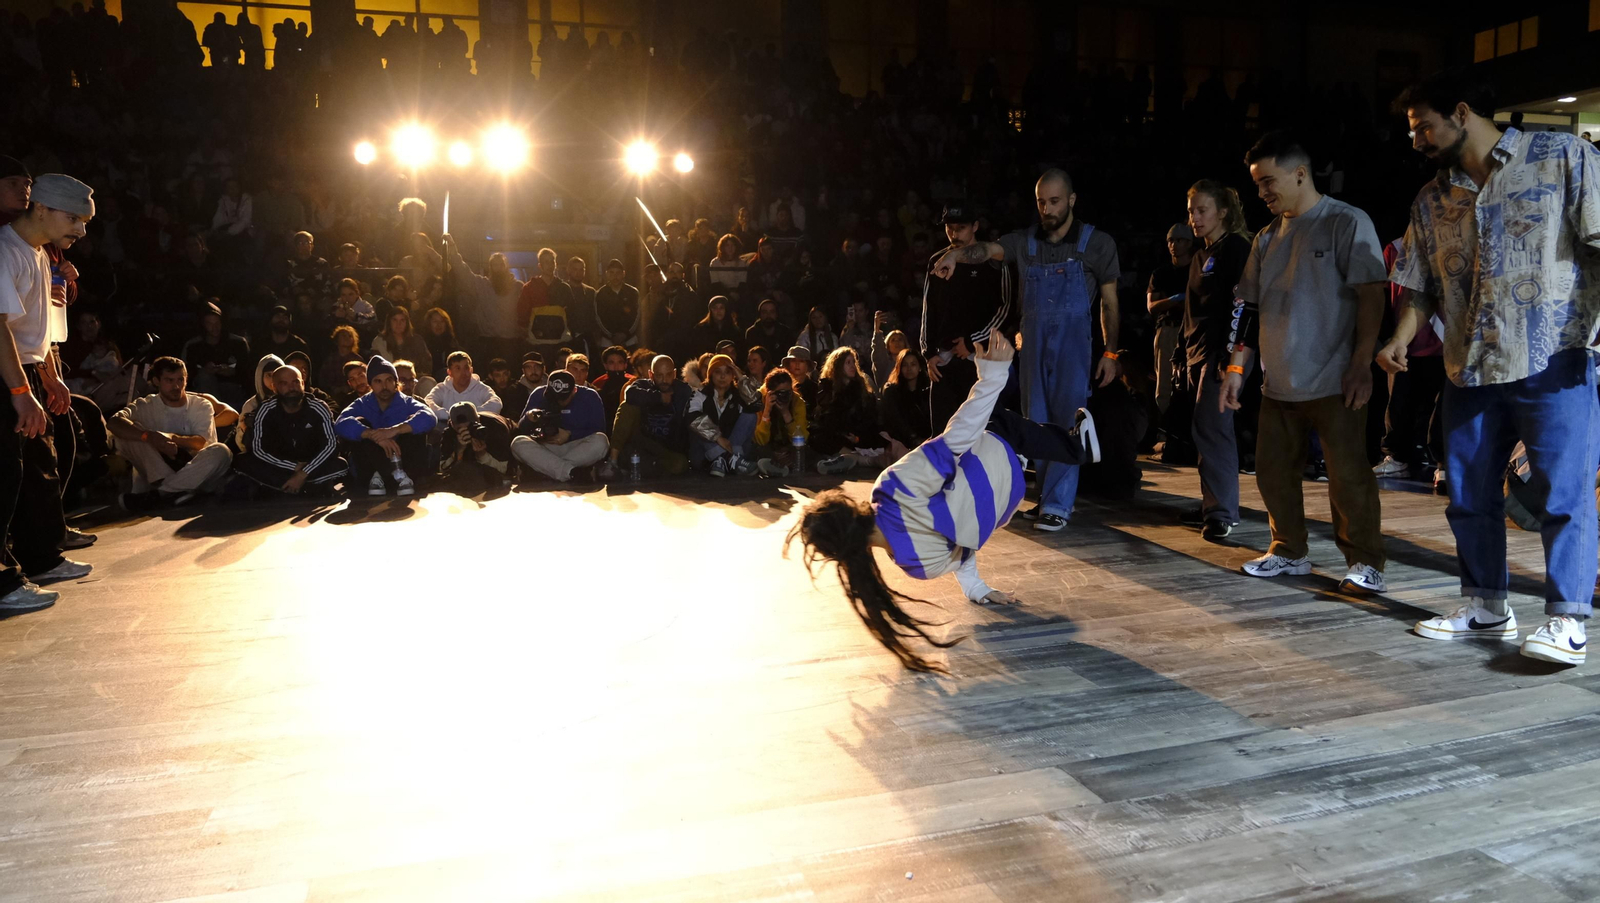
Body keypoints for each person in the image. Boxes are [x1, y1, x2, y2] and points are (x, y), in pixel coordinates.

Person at [1382, 70, 1600, 664]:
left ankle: (1568, 621)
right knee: (1468, 496)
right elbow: (1419, 284)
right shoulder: (1431, 198)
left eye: (1423, 127)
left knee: (1564, 494)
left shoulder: (1562, 155)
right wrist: (1399, 338)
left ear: (1461, 112)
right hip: (1470, 366)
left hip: (1554, 356)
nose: (1416, 140)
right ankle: (1486, 607)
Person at [788, 334, 1100, 672]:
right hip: (995, 458)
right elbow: (955, 440)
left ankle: (1035, 454)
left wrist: (976, 588)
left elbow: (960, 546)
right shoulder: (892, 490)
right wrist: (992, 377)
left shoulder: (913, 565)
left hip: (1006, 500)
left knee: (977, 457)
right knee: (991, 419)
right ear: (847, 508)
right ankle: (1076, 447)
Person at [1221, 132, 1389, 593]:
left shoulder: (1346, 221)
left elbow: (1372, 295)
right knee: (1273, 473)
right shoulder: (1265, 238)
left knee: (1348, 477)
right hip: (1279, 381)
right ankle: (1288, 550)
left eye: (1267, 181)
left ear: (1299, 174)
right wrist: (1236, 368)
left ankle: (1366, 562)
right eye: (1257, 183)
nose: (1261, 192)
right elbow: (1249, 308)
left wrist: (1361, 363)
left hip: (1335, 379)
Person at [932, 168, 1122, 533]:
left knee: (1067, 419)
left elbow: (1110, 304)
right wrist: (957, 256)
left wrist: (1111, 353)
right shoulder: (1026, 242)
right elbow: (987, 249)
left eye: (1054, 201)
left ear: (1072, 200)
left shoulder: (1097, 244)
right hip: (1033, 345)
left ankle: (1058, 505)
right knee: (1035, 421)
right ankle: (1046, 498)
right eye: (1041, 202)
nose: (1047, 209)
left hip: (1072, 347)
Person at [0, 173, 95, 607]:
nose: (80, 230)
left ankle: (40, 557)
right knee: (6, 474)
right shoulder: (5, 249)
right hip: (8, 374)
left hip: (29, 369)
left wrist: (51, 376)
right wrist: (20, 390)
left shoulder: (38, 254)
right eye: (73, 218)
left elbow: (40, 329)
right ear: (41, 208)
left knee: (38, 467)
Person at [1179, 181, 1252, 541]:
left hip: (1222, 354)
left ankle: (1221, 513)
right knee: (1204, 428)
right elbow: (1192, 312)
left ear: (1222, 212)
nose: (1194, 217)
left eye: (1202, 210)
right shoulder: (1199, 256)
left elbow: (1241, 307)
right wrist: (1181, 355)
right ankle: (1213, 502)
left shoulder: (1236, 248)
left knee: (1213, 427)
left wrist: (1229, 357)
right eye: (1191, 211)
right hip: (1197, 353)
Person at [922, 202, 1012, 434]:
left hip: (979, 358)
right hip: (944, 357)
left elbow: (1006, 309)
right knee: (941, 433)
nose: (954, 234)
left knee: (982, 432)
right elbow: (929, 310)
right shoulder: (937, 260)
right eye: (949, 228)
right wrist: (928, 353)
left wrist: (973, 341)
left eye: (960, 228)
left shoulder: (993, 260)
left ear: (975, 226)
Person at [109, 357, 236, 510]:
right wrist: (149, 436)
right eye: (169, 380)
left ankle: (161, 494)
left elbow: (200, 443)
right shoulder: (146, 405)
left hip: (198, 472)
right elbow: (114, 423)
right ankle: (174, 490)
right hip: (161, 470)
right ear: (156, 381)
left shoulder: (201, 404)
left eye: (180, 380)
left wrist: (171, 438)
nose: (176, 386)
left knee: (222, 451)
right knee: (127, 433)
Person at [1372, 237, 1445, 484]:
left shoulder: (1457, 237)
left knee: (1445, 408)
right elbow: (1387, 293)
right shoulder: (1396, 248)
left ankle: (1444, 464)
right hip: (1407, 341)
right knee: (1399, 403)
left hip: (1448, 341)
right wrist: (1390, 338)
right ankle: (1397, 458)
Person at [234, 364, 346, 496]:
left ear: (303, 384)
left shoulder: (319, 407)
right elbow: (258, 449)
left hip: (310, 463)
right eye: (284, 384)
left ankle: (283, 487)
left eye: (295, 382)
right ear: (274, 387)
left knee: (340, 464)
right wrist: (294, 467)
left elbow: (331, 445)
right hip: (280, 465)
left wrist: (303, 473)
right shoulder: (266, 409)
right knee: (242, 461)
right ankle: (307, 487)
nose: (291, 388)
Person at [334, 355, 437, 497]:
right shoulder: (363, 403)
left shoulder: (406, 402)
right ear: (370, 384)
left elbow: (430, 417)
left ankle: (400, 476)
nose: (384, 386)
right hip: (371, 469)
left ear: (395, 382)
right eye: (378, 381)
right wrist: (373, 435)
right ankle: (378, 475)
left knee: (415, 422)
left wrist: (394, 430)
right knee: (360, 424)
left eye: (388, 380)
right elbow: (340, 423)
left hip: (403, 463)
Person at [511, 369, 609, 483]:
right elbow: (521, 429)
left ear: (574, 390)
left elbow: (599, 428)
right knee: (518, 442)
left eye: (563, 398)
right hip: (545, 447)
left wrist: (570, 434)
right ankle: (571, 472)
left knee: (601, 441)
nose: (558, 401)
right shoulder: (538, 394)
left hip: (576, 446)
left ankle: (545, 470)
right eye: (554, 397)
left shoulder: (590, 396)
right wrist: (528, 418)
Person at [605, 354, 692, 477]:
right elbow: (630, 394)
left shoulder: (683, 391)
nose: (664, 380)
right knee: (628, 406)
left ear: (674, 373)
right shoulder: (643, 385)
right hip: (643, 441)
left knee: (680, 464)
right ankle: (613, 461)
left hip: (667, 447)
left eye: (668, 375)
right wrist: (659, 397)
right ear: (651, 374)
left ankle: (644, 465)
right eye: (659, 375)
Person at [443, 235, 523, 365]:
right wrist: (452, 248)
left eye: (501, 265)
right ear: (490, 268)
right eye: (494, 265)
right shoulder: (482, 285)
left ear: (506, 267)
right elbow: (463, 271)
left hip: (512, 342)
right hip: (488, 342)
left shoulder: (518, 287)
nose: (498, 268)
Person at [812, 347, 886, 475]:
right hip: (839, 435)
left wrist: (857, 438)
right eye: (847, 362)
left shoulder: (862, 389)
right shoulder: (828, 388)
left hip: (859, 436)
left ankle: (855, 459)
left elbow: (869, 420)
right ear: (838, 366)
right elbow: (827, 418)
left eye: (853, 362)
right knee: (817, 436)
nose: (852, 366)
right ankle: (852, 459)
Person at [1148, 223, 1196, 415]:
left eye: (1179, 240)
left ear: (1189, 243)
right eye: (1170, 241)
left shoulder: (1197, 269)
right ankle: (1165, 426)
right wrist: (1174, 300)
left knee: (1193, 381)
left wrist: (1173, 302)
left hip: (1192, 330)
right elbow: (1152, 306)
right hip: (1168, 330)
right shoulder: (1161, 273)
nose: (1173, 245)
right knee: (1165, 384)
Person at [687, 353, 760, 477]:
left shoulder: (738, 396)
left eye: (727, 372)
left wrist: (741, 378)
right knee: (696, 424)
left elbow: (755, 404)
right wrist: (717, 437)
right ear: (711, 374)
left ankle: (729, 460)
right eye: (717, 372)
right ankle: (726, 458)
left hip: (733, 447)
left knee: (750, 416)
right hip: (704, 455)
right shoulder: (700, 394)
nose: (722, 376)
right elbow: (691, 417)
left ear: (732, 375)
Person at [182, 300, 251, 407]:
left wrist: (232, 372)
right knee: (205, 378)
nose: (214, 328)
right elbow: (185, 374)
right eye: (209, 324)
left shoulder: (238, 343)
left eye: (217, 323)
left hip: (233, 388)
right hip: (203, 391)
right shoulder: (193, 346)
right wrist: (204, 371)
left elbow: (248, 371)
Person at [439, 401, 513, 495]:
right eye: (460, 429)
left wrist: (482, 454)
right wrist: (459, 451)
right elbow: (443, 469)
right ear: (452, 424)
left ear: (478, 420)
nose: (466, 431)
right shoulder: (449, 433)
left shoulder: (495, 428)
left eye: (469, 427)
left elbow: (505, 469)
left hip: (509, 433)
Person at [520, 247, 575, 360]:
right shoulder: (529, 287)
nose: (550, 265)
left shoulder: (564, 288)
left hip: (561, 342)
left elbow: (572, 313)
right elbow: (522, 313)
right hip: (536, 343)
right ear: (540, 265)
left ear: (556, 264)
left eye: (552, 261)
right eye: (546, 262)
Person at [752, 367, 808, 477]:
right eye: (781, 393)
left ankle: (780, 466)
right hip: (769, 447)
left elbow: (802, 437)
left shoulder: (797, 401)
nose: (785, 397)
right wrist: (767, 411)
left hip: (789, 447)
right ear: (770, 392)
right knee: (758, 450)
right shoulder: (760, 401)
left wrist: (786, 413)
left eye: (788, 392)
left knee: (805, 451)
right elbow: (760, 440)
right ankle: (774, 466)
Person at [424, 351, 503, 428]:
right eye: (458, 368)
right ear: (449, 372)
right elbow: (428, 402)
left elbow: (496, 402)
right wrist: (448, 415)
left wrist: (473, 414)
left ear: (471, 370)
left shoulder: (480, 388)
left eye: (466, 368)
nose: (463, 373)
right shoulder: (442, 389)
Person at [878, 348, 932, 454]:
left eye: (913, 364)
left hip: (927, 440)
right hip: (903, 443)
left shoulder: (927, 390)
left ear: (919, 367)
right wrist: (913, 438)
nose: (909, 368)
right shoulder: (892, 391)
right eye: (904, 365)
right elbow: (896, 421)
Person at [371, 306, 433, 378]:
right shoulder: (379, 342)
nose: (398, 324)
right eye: (395, 320)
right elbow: (377, 366)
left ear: (407, 322)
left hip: (415, 378)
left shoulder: (417, 340)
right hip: (390, 379)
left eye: (402, 320)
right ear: (389, 322)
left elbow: (426, 364)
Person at [593, 259, 640, 349]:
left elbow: (637, 316)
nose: (615, 276)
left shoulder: (633, 292)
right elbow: (598, 317)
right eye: (611, 273)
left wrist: (626, 334)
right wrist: (611, 336)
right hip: (607, 342)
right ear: (607, 274)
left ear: (623, 274)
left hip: (630, 341)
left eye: (618, 273)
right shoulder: (600, 294)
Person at [590, 345, 633, 431]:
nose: (616, 366)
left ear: (625, 364)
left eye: (620, 362)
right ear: (605, 365)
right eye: (611, 363)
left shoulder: (633, 382)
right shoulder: (598, 384)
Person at [256, 305, 310, 372]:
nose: (281, 320)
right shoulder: (260, 345)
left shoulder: (299, 346)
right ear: (271, 319)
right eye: (277, 316)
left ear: (289, 322)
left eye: (285, 317)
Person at [689, 295, 742, 360]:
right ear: (710, 310)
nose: (718, 311)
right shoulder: (700, 329)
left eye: (721, 308)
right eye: (715, 308)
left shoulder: (735, 331)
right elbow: (696, 351)